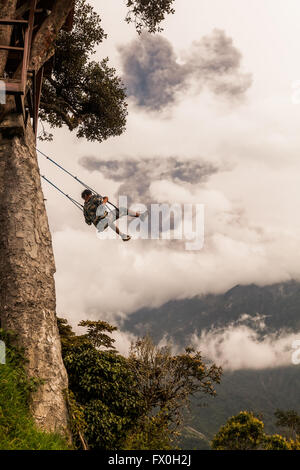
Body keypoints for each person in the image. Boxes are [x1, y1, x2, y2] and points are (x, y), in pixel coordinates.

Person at [81, 189, 147, 242]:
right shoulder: (94, 198)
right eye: (91, 194)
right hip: (104, 218)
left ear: (84, 197)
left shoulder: (85, 208)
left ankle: (123, 236)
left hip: (99, 226)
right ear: (87, 195)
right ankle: (140, 215)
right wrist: (105, 199)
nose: (92, 195)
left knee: (107, 220)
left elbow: (88, 222)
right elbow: (102, 204)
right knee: (122, 210)